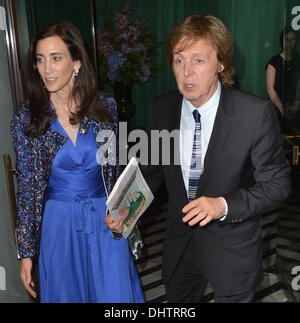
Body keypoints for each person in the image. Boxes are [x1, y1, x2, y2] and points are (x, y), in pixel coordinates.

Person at [108, 14, 291, 302]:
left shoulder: (254, 114)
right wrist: (125, 212)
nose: (186, 72)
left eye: (198, 60)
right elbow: (153, 170)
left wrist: (222, 205)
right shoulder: (162, 109)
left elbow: (277, 184)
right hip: (180, 249)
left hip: (232, 249)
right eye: (179, 60)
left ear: (221, 64)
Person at [11, 21, 144, 303]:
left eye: (56, 58)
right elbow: (28, 189)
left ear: (77, 63)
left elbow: (116, 171)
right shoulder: (27, 119)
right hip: (57, 225)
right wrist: (26, 252)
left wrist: (125, 214)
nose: (46, 69)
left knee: (115, 295)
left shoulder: (105, 107)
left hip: (106, 222)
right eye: (40, 59)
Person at [266, 26, 300, 127]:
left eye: (292, 39)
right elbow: (270, 89)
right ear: (282, 41)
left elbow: (299, 84)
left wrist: (296, 105)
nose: (289, 43)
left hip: (293, 108)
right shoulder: (274, 62)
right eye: (287, 39)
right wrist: (282, 110)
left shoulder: (298, 60)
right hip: (276, 108)